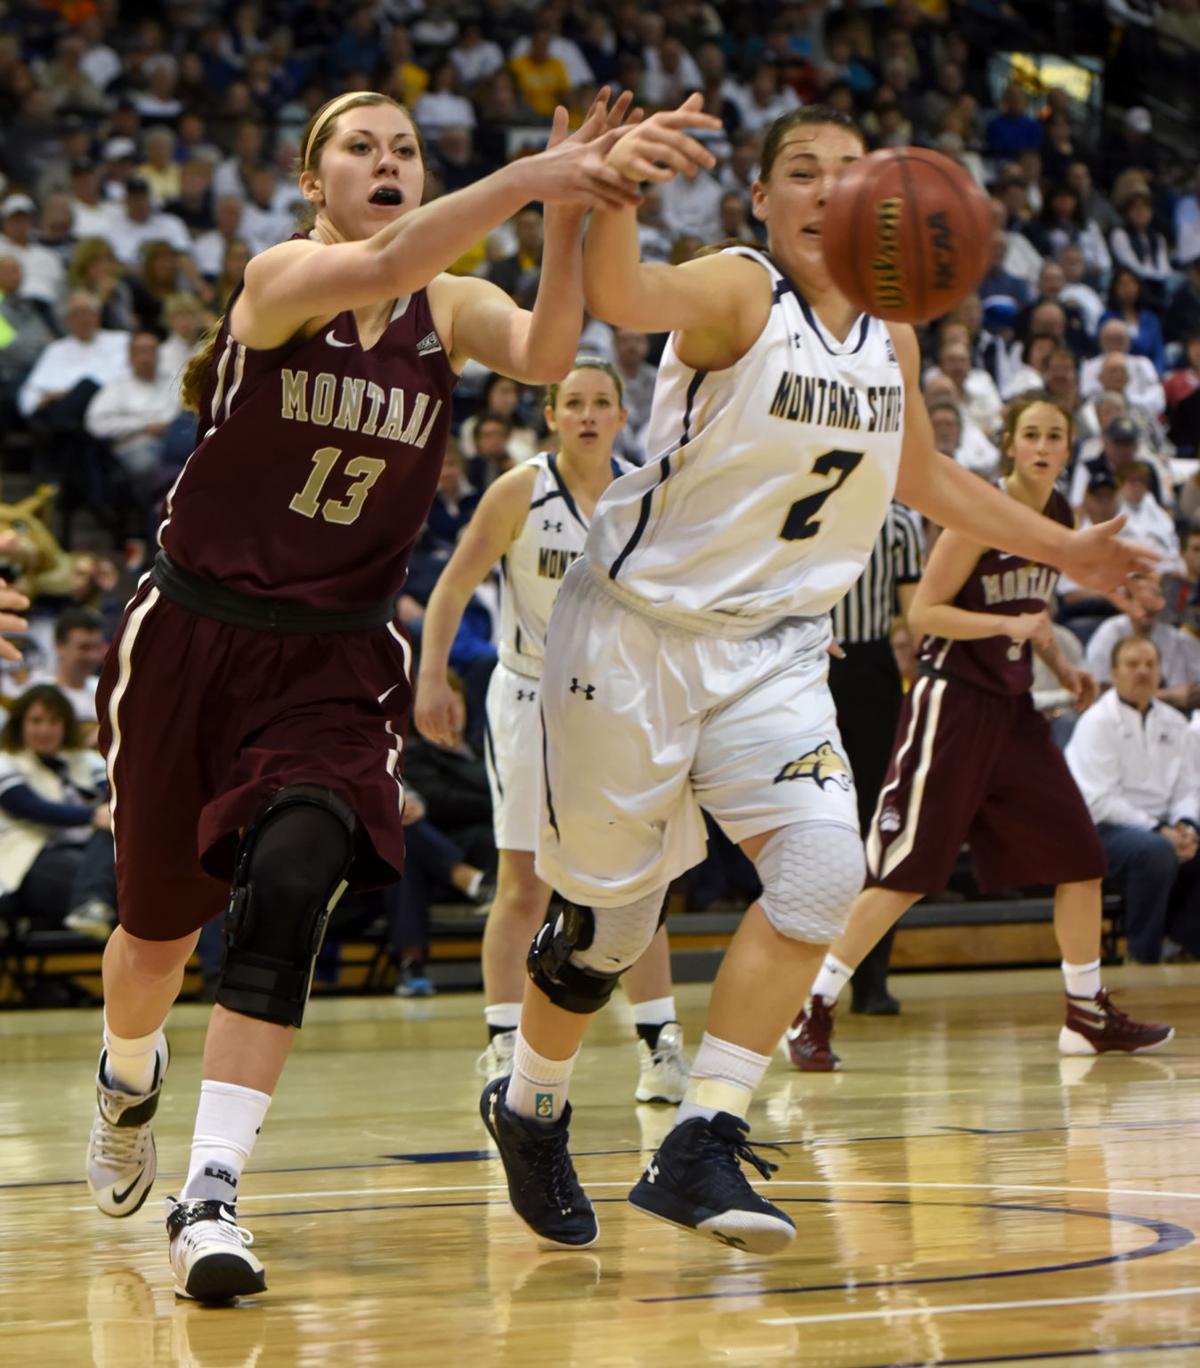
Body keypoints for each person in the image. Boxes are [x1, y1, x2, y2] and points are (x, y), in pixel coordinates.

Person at [478, 104, 1153, 1259]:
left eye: (854, 171)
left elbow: (924, 475)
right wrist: (622, 194)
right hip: (636, 640)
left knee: (826, 868)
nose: (833, 190)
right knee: (607, 924)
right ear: (763, 201)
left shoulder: (889, 334)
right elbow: (630, 298)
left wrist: (1067, 550)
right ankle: (531, 1102)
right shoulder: (742, 289)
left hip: (777, 649)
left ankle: (702, 1133)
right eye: (804, 172)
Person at [81, 85, 684, 1304]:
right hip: (195, 638)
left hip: (336, 654)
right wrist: (533, 176)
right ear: (317, 181)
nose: (388, 160)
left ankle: (212, 1194)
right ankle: (125, 1074)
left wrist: (570, 214)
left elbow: (548, 352)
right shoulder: (281, 275)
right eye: (361, 146)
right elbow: (401, 250)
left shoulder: (447, 307)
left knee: (295, 881)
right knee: (154, 937)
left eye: (405, 147)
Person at [787, 398, 1172, 1073]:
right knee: (904, 873)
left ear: (1067, 446)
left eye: (1056, 434)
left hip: (1014, 710)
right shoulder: (979, 513)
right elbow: (925, 614)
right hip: (952, 704)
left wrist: (1062, 665)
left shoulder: (1060, 519)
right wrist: (1002, 630)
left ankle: (1085, 1011)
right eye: (1032, 434)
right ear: (1010, 445)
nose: (1044, 445)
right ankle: (811, 1005)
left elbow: (1033, 609)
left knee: (1081, 856)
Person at [416, 357, 688, 1104]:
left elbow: (686, 596)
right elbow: (451, 586)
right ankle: (505, 1041)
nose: (591, 414)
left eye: (604, 401)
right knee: (524, 882)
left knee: (641, 877)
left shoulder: (643, 496)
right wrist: (432, 676)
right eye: (576, 403)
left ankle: (659, 1042)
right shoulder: (519, 489)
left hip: (619, 701)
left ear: (623, 417)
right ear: (553, 416)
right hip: (532, 695)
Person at [821, 504, 924, 1017]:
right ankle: (807, 976)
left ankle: (870, 978)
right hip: (808, 663)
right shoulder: (808, 493)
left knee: (874, 826)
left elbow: (915, 615)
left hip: (873, 673)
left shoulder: (900, 521)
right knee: (812, 822)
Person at [1067, 636, 1200, 962]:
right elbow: (1098, 799)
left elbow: (1187, 787)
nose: (1142, 672)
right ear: (1113, 673)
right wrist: (1158, 830)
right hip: (1102, 830)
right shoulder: (1097, 722)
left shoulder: (1175, 722)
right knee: (1154, 852)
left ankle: (1184, 944)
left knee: (1188, 847)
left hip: (1161, 826)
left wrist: (1186, 825)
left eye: (1150, 665)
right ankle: (1142, 953)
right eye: (1132, 664)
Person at [0, 683, 116, 940]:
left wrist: (102, 816)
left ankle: (95, 905)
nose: (45, 730)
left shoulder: (85, 760)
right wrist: (90, 816)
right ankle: (93, 903)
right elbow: (27, 806)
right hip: (32, 860)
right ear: (20, 724)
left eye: (54, 721)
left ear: (65, 726)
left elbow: (114, 797)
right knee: (118, 879)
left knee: (111, 833)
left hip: (92, 853)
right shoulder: (5, 761)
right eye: (36, 721)